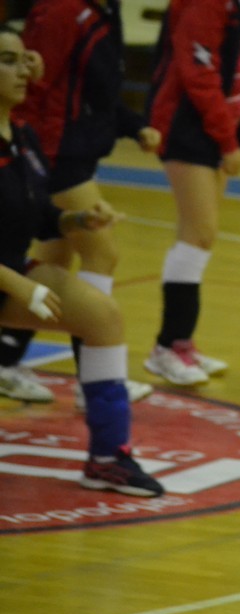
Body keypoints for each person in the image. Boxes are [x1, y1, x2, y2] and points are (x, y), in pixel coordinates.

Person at [0, 25, 162, 496]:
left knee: (102, 316)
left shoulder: (22, 137)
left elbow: (39, 218)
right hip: (8, 280)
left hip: (8, 275)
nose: (23, 70)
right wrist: (19, 286)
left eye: (23, 59)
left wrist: (79, 221)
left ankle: (108, 459)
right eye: (7, 61)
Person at [145, 0, 240, 385]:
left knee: (196, 237)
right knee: (200, 234)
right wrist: (227, 141)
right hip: (186, 127)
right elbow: (197, 72)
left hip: (219, 129)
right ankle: (167, 346)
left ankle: (179, 343)